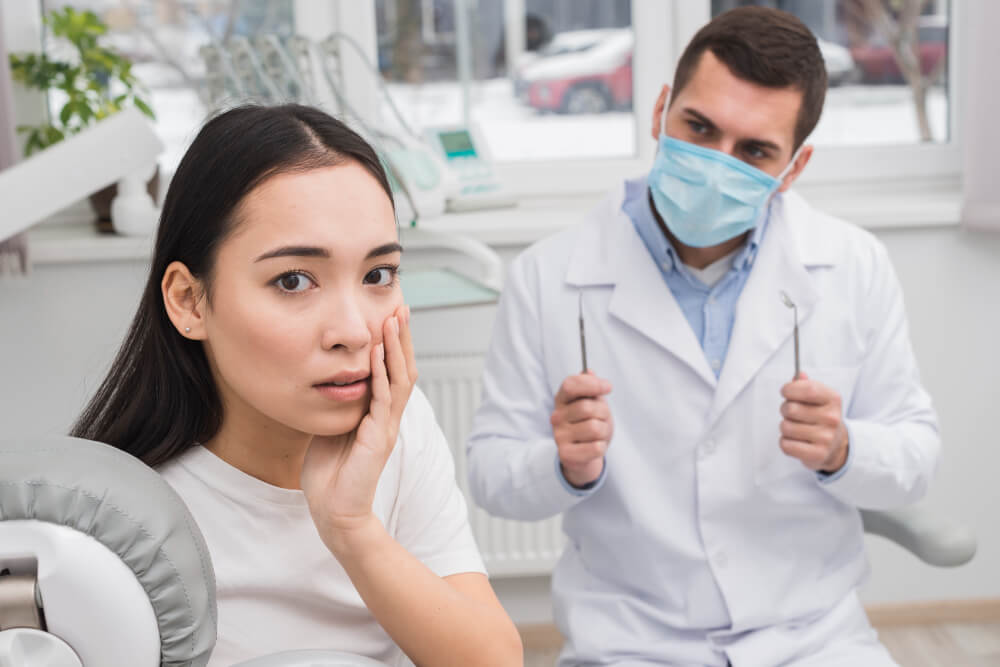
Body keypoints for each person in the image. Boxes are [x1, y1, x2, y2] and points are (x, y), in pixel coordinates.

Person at [467, 7, 939, 667]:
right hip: (631, 641)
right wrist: (562, 466)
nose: (718, 163)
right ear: (662, 110)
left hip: (812, 638)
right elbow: (490, 472)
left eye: (753, 151)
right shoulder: (549, 277)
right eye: (699, 127)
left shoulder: (853, 265)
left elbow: (916, 457)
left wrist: (842, 447)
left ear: (794, 166)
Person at [72, 104, 522, 667]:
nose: (354, 332)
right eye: (293, 280)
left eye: (378, 275)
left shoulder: (399, 430)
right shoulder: (121, 517)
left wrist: (352, 529)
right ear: (189, 300)